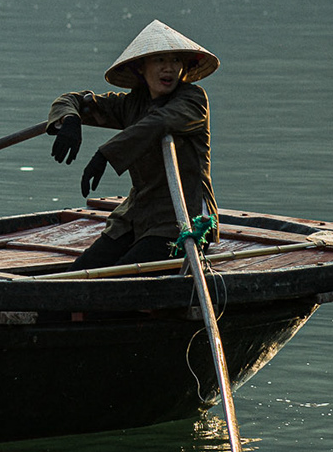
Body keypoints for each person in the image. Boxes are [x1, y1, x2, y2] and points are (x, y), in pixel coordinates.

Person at [46, 20, 217, 268]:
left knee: (121, 281)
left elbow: (158, 123)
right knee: (79, 273)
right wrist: (70, 119)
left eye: (175, 61)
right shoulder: (132, 104)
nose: (168, 68)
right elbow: (74, 100)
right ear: (141, 68)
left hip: (181, 221)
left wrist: (104, 155)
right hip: (135, 216)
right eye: (159, 60)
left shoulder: (193, 100)